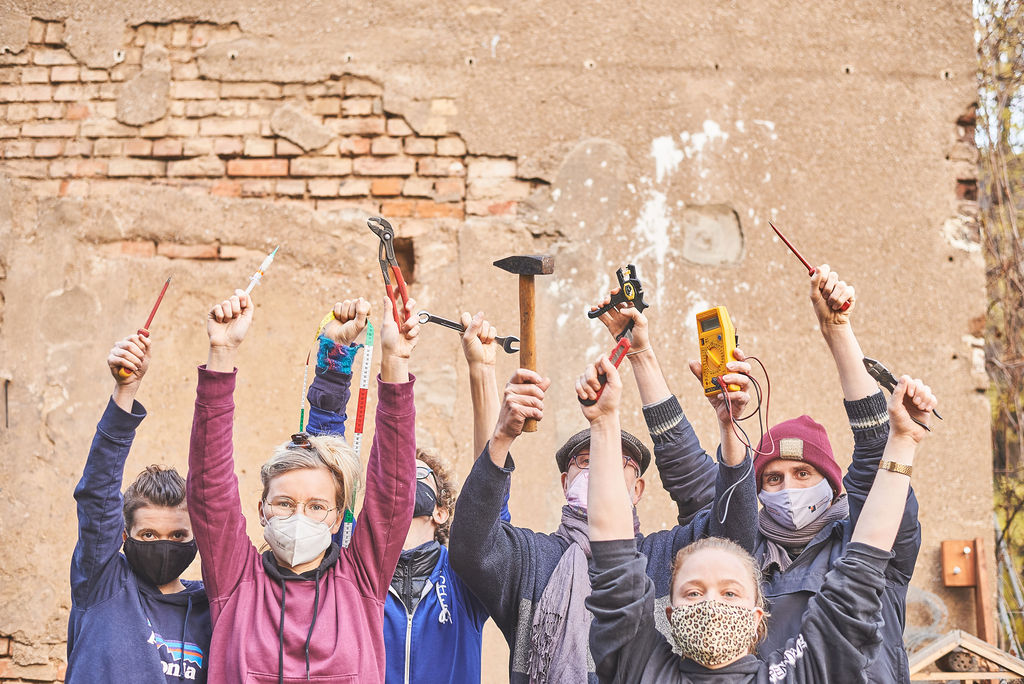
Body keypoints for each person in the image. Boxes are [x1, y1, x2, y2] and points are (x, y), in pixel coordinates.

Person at [585, 351, 938, 683]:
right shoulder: (641, 667)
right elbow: (614, 563)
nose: (711, 605)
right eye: (692, 593)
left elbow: (865, 559)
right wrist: (603, 424)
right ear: (669, 612)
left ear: (758, 615)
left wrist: (904, 441)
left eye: (729, 593)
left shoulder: (799, 672)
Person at [448, 322, 757, 683]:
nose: (599, 466)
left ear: (638, 489)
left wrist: (729, 426)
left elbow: (734, 535)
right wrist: (501, 438)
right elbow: (471, 547)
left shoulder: (668, 558)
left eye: (614, 461)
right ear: (565, 483)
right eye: (586, 459)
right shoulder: (530, 560)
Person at [186, 290, 419, 683]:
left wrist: (395, 361)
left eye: (315, 506)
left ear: (336, 516)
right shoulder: (235, 579)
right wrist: (221, 353)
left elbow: (392, 490)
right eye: (283, 504)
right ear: (262, 509)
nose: (299, 515)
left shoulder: (360, 580)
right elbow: (209, 485)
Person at [305, 301, 510, 683]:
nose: (404, 480)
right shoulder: (351, 566)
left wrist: (482, 370)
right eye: (395, 476)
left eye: (419, 474)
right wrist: (334, 362)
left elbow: (491, 484)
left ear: (443, 511)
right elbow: (320, 470)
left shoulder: (466, 577)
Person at [749, 265, 922, 682]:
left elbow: (876, 454)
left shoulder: (870, 542)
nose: (788, 488)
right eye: (774, 479)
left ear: (831, 483)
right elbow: (694, 483)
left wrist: (837, 331)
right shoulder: (742, 563)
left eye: (803, 473)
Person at [68, 333, 211, 683]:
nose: (164, 545)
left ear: (197, 539)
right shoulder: (103, 584)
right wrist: (125, 393)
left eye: (178, 535)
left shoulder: (215, 609)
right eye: (148, 534)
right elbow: (97, 495)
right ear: (123, 535)